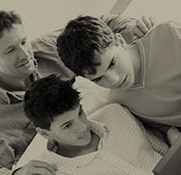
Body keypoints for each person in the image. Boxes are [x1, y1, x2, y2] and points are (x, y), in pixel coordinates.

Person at [0, 8, 155, 175]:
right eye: (10, 51)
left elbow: (101, 25)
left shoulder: (47, 46)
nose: (25, 54)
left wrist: (132, 28)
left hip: (123, 133)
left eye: (24, 42)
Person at [56, 15, 181, 133]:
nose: (114, 80)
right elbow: (166, 130)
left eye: (112, 63)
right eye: (98, 79)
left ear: (119, 41)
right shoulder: (119, 102)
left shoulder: (169, 34)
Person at [22, 74, 168, 175]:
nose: (82, 127)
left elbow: (164, 152)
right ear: (45, 133)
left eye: (80, 113)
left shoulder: (115, 113)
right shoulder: (52, 171)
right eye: (67, 125)